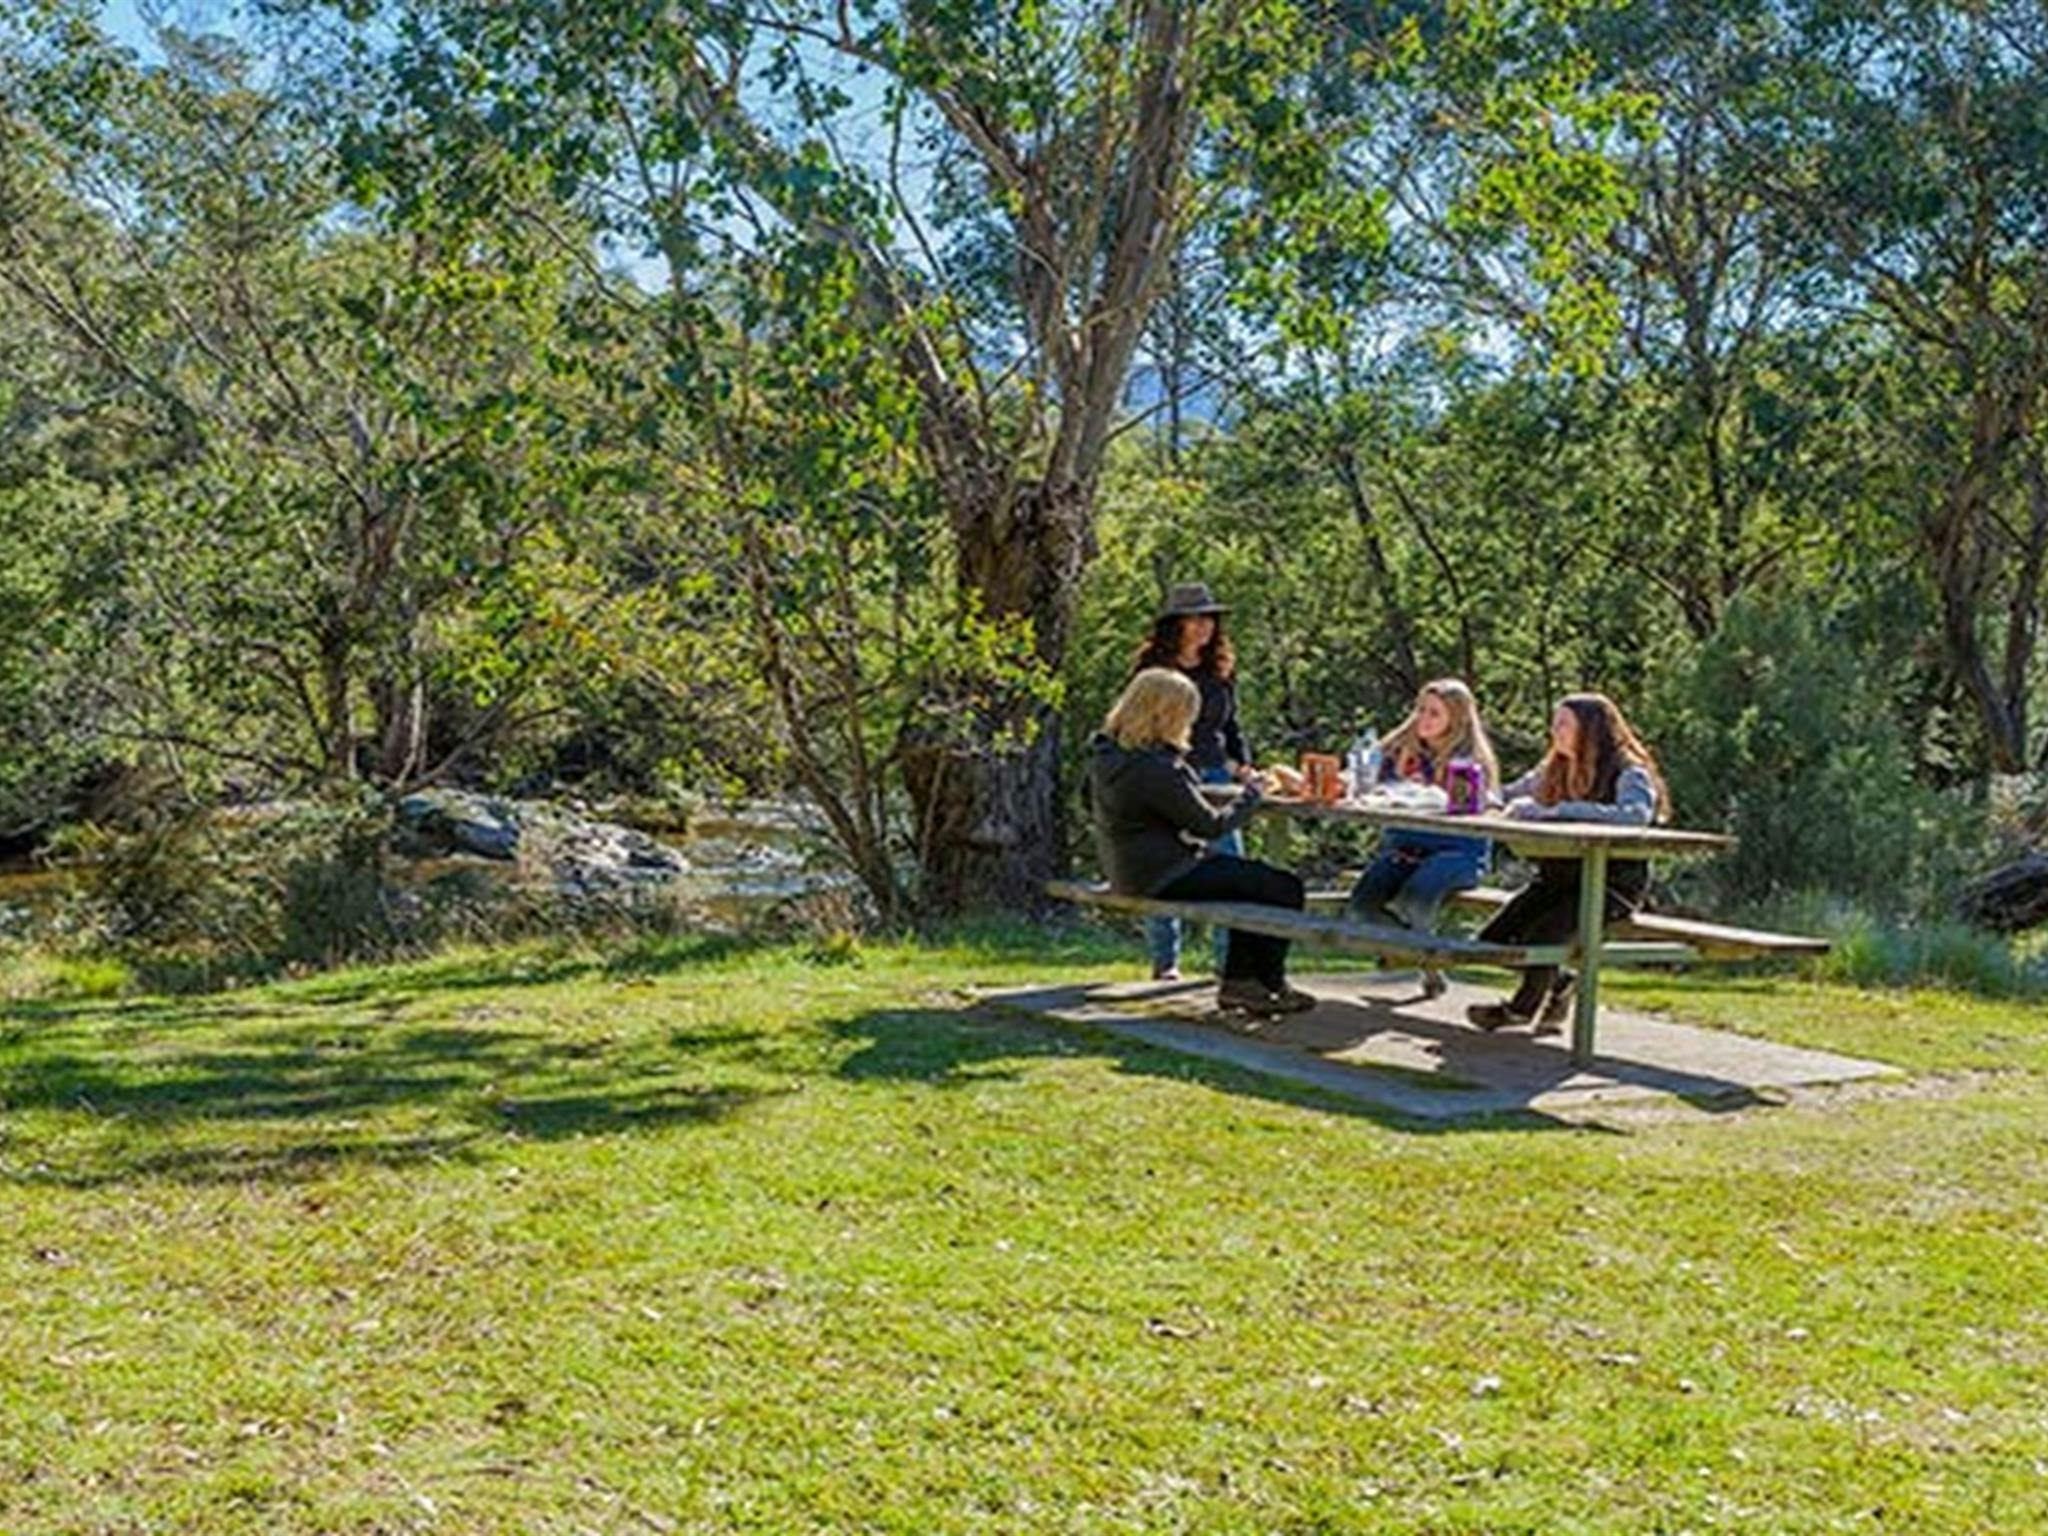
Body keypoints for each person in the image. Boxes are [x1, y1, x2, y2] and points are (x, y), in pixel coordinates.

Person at [1089, 668, 1314, 1018]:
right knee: (1284, 887)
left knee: (1254, 886)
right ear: (1167, 715)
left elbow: (1156, 805)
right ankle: (1265, 983)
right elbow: (1211, 826)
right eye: (1187, 716)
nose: (1190, 725)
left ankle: (1246, 983)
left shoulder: (1108, 755)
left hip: (1130, 870)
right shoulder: (1156, 768)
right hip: (1166, 873)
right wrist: (1252, 794)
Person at [1466, 692, 1670, 1035]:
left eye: (1563, 723)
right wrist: (1474, 795)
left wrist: (1559, 811)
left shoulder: (1628, 771)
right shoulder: (1554, 767)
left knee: (1543, 937)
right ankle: (1559, 984)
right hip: (1558, 878)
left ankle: (1521, 1010)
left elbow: (1635, 817)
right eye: (1554, 722)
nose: (1554, 731)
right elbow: (1507, 795)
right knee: (1492, 941)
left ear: (1590, 730)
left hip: (1609, 885)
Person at [1128, 582, 1260, 980]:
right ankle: (1165, 961)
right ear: (1176, 624)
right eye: (1195, 618)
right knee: (1166, 862)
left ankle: (1228, 964)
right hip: (1170, 773)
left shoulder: (1220, 668)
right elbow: (1138, 724)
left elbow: (1231, 726)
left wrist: (1245, 765)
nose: (1205, 627)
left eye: (1210, 619)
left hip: (1217, 773)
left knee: (1229, 864)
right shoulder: (1153, 669)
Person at [1345, 678, 1499, 998]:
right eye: (1421, 710)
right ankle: (1427, 960)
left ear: (1455, 721)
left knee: (1416, 899)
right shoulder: (1400, 749)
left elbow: (1483, 805)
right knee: (1360, 909)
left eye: (1434, 713)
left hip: (1456, 853)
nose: (1423, 719)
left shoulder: (1469, 762)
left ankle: (1415, 955)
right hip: (1405, 847)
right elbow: (1361, 781)